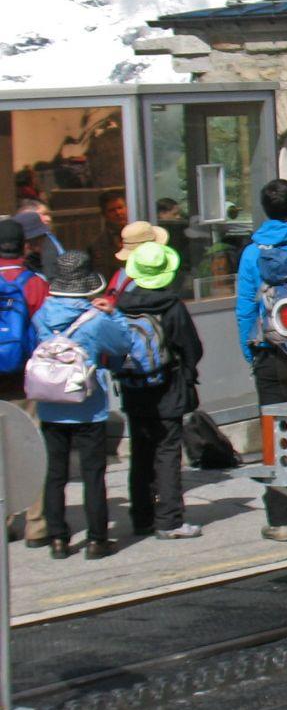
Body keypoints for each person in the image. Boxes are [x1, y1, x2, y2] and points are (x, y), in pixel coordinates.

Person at [31, 252, 132, 559]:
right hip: (88, 404)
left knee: (54, 473)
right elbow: (123, 344)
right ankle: (97, 540)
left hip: (51, 403)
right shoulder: (96, 319)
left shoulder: (42, 315)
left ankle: (58, 539)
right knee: (93, 474)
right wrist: (113, 314)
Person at [116, 241, 204, 540]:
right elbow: (191, 347)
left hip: (133, 388)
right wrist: (188, 373)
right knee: (167, 452)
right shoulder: (172, 306)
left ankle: (141, 518)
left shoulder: (122, 305)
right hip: (168, 388)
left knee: (141, 453)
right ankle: (169, 521)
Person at [236, 178, 287, 541]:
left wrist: (250, 351)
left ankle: (279, 521)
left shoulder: (252, 252)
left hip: (269, 352)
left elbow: (245, 308)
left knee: (276, 434)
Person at [0, 219, 51, 546]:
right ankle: (37, 524)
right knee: (32, 443)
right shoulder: (34, 283)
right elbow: (47, 332)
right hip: (25, 379)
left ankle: (3, 520)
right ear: (24, 245)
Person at [89, 189, 129, 276]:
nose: (118, 213)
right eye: (112, 210)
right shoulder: (97, 245)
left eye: (120, 208)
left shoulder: (142, 234)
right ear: (104, 215)